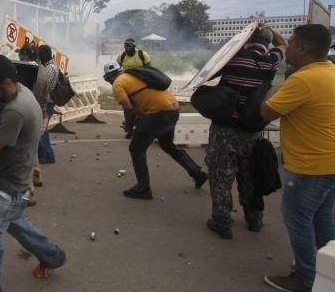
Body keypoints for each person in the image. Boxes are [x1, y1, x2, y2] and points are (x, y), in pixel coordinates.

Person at [0, 53, 66, 292]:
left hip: (10, 188)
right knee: (16, 223)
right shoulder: (2, 95)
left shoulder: (17, 109)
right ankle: (54, 257)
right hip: (5, 180)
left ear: (6, 81)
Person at [260, 24, 335, 292]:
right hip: (330, 162)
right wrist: (270, 32)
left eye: (291, 41)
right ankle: (328, 270)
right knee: (323, 219)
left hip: (310, 165)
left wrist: (274, 86)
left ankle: (306, 278)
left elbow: (267, 112)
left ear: (303, 48)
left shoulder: (301, 80)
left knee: (298, 218)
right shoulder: (329, 71)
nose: (287, 45)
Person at [205, 25, 287, 239]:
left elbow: (209, 71)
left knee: (221, 175)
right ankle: (255, 219)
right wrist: (268, 29)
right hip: (252, 128)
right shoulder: (272, 60)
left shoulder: (233, 57)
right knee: (250, 173)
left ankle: (222, 221)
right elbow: (283, 44)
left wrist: (245, 35)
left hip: (225, 127)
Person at [103, 61, 207, 199]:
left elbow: (129, 109)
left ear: (109, 77)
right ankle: (197, 173)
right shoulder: (134, 75)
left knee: (136, 149)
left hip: (157, 114)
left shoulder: (118, 83)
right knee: (168, 145)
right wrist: (133, 123)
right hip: (172, 109)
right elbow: (139, 104)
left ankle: (143, 188)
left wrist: (129, 126)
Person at [18, 43, 48, 206]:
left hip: (30, 116)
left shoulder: (29, 72)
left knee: (25, 154)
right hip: (41, 115)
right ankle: (37, 176)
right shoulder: (42, 69)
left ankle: (29, 193)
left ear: (25, 56)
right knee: (32, 148)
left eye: (20, 55)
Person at [38, 44, 58, 164]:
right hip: (46, 102)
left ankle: (48, 155)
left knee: (42, 129)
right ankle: (41, 153)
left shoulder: (50, 68)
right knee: (40, 129)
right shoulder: (47, 66)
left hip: (47, 102)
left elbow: (46, 88)